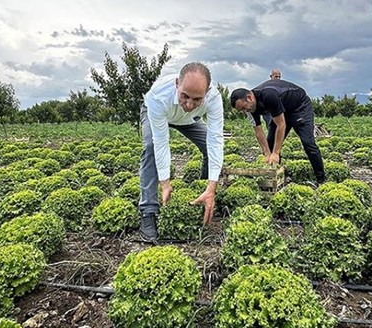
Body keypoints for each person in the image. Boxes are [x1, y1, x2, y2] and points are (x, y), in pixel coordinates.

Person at [138, 62, 224, 241]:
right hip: (158, 113)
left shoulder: (214, 98)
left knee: (209, 146)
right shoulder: (158, 96)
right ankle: (148, 211)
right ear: (177, 83)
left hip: (188, 120)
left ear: (206, 93)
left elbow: (216, 140)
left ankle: (203, 193)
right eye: (185, 96)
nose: (190, 104)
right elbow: (161, 142)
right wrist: (165, 182)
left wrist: (212, 187)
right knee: (150, 148)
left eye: (197, 99)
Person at [230, 79, 325, 184]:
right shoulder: (250, 109)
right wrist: (267, 153)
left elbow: (281, 125)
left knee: (308, 143)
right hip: (282, 110)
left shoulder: (268, 95)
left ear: (249, 98)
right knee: (269, 145)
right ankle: (276, 178)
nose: (245, 111)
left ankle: (321, 179)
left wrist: (275, 153)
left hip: (300, 108)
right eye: (241, 110)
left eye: (244, 108)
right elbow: (258, 132)